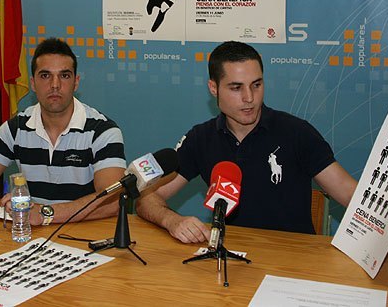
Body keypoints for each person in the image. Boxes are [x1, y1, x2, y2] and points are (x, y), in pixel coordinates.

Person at [136, 41, 357, 243]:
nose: (249, 97)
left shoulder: (297, 132)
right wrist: (172, 221)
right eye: (236, 87)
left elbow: (349, 194)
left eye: (256, 85)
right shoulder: (200, 138)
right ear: (213, 88)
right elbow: (146, 198)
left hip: (291, 261)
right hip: (229, 259)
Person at [0, 38, 126, 228]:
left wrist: (45, 213)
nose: (55, 85)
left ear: (76, 83)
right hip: (32, 233)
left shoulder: (103, 131)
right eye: (45, 75)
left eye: (64, 75)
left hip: (85, 233)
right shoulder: (16, 127)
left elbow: (112, 201)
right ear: (33, 83)